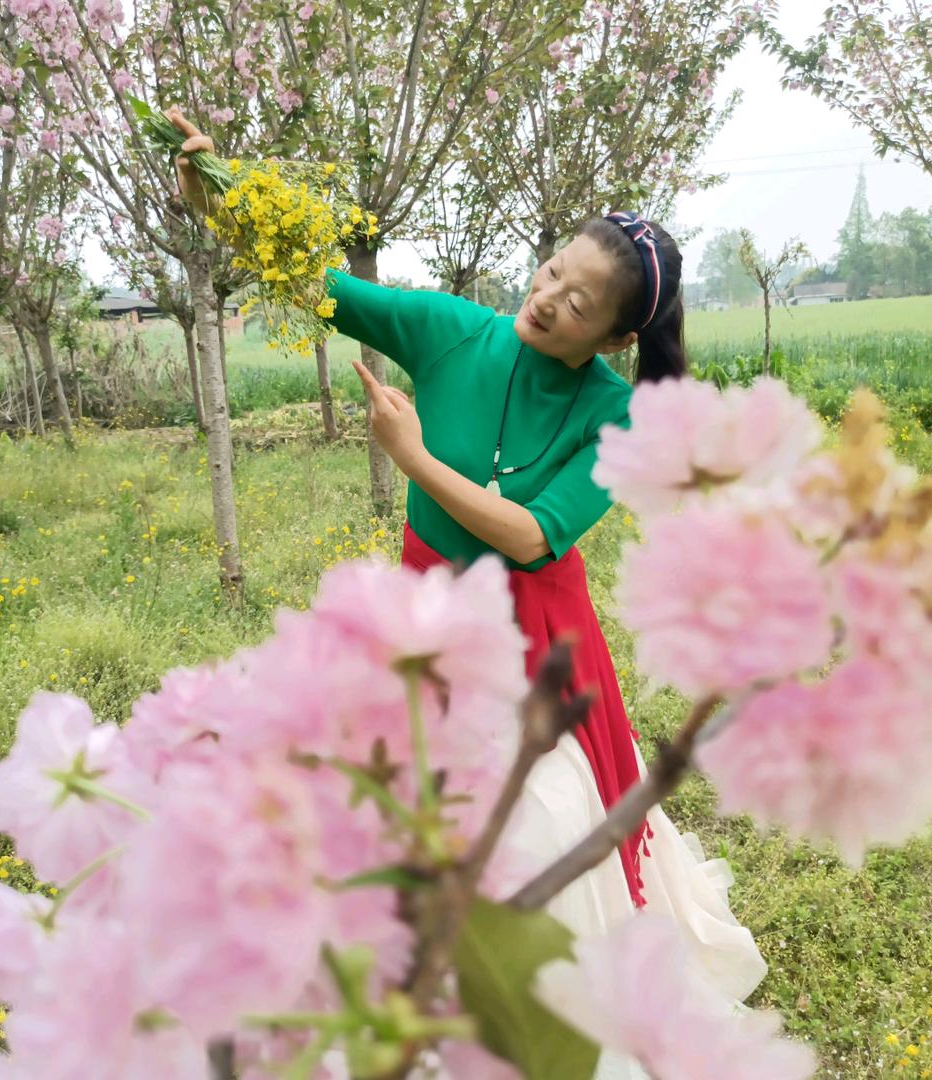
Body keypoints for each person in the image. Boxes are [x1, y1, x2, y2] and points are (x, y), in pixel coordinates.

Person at [170, 109, 767, 1078]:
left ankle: (528, 1022)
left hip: (532, 636)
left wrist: (410, 458)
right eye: (551, 275)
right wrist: (220, 189)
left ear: (618, 335)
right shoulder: (451, 330)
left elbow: (536, 537)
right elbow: (321, 287)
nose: (549, 302)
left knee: (530, 826)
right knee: (395, 811)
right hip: (421, 626)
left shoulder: (621, 414)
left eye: (579, 305)